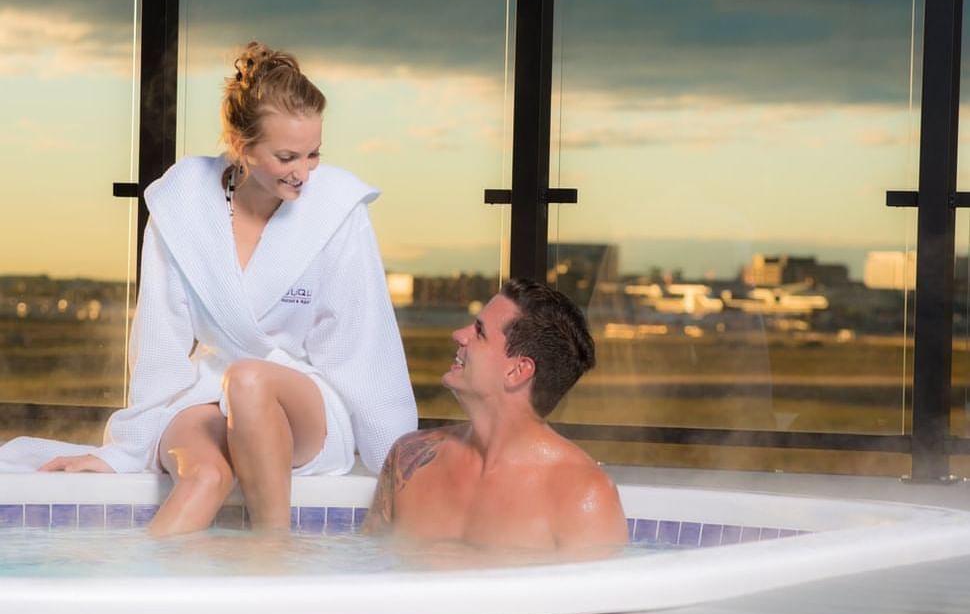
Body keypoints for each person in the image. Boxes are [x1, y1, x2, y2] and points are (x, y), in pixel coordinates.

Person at [0, 41, 417, 536]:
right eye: (286, 156)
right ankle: (137, 598)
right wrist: (125, 453)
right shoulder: (183, 207)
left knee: (249, 380)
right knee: (204, 476)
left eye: (313, 154)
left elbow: (362, 344)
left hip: (302, 404)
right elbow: (161, 337)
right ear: (241, 147)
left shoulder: (338, 211)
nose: (304, 172)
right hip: (207, 389)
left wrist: (398, 458)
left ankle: (273, 556)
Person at [364, 278, 627, 559]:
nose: (458, 335)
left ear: (518, 371)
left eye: (479, 332)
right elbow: (364, 570)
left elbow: (597, 602)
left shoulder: (583, 496)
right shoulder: (409, 459)